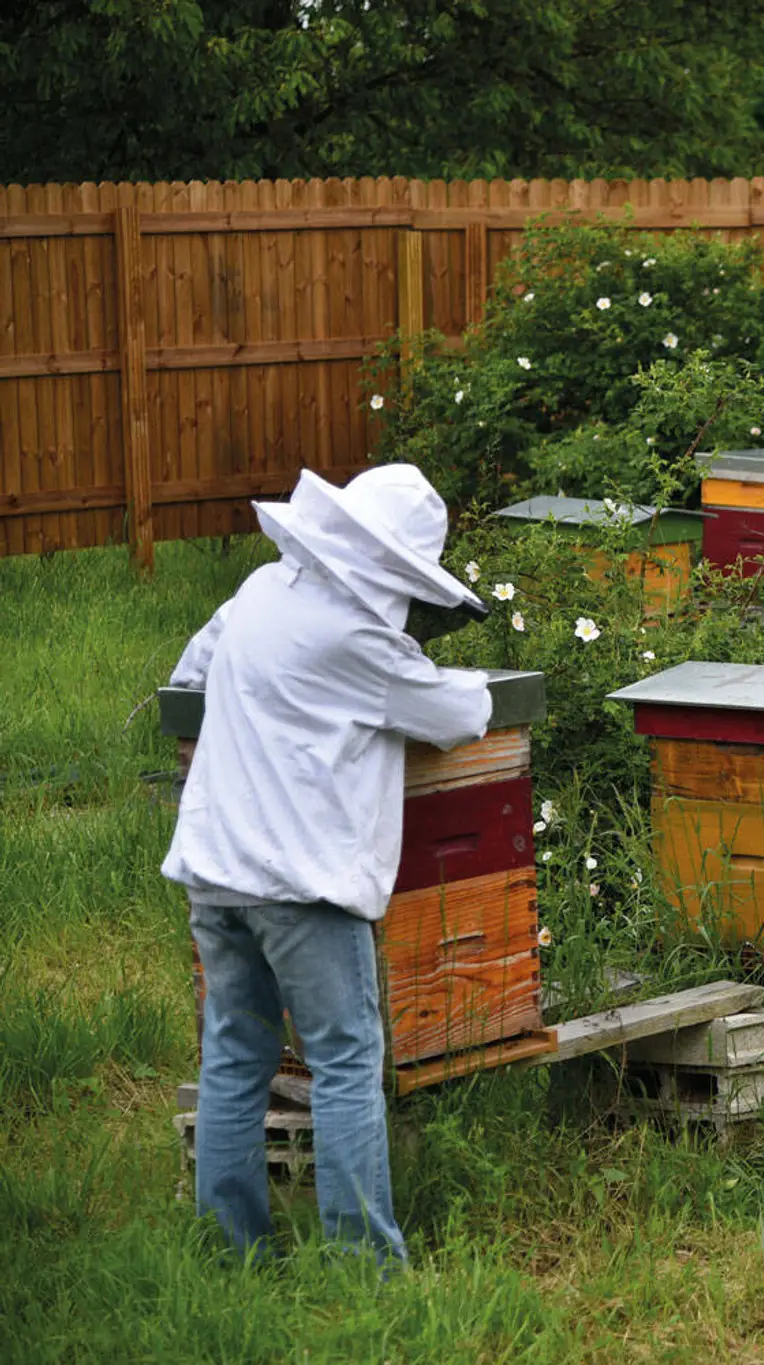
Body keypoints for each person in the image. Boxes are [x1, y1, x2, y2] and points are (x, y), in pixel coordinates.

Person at [162, 464, 494, 1265]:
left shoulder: (259, 593)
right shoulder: (359, 641)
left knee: (236, 1055)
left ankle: (232, 1248)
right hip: (300, 886)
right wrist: (451, 675)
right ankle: (365, 1263)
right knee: (346, 1062)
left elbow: (191, 673)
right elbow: (463, 712)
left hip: (214, 871)